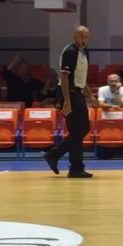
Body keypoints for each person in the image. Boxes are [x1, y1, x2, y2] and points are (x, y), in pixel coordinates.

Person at [43, 25, 93, 178]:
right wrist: (67, 101)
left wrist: (90, 96)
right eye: (81, 36)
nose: (83, 39)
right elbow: (64, 77)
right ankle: (72, 166)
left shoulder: (82, 53)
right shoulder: (70, 51)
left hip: (77, 93)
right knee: (78, 130)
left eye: (86, 36)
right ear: (74, 36)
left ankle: (59, 157)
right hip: (68, 93)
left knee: (82, 129)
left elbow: (80, 79)